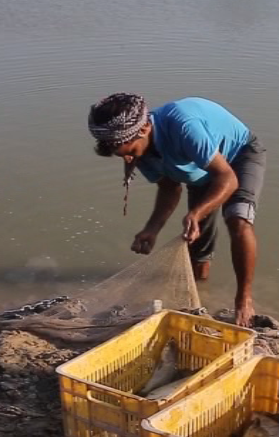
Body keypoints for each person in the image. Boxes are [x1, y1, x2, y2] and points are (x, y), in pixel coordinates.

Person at [87, 93, 266, 327]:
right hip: (199, 166)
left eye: (124, 148)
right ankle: (202, 291)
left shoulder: (184, 127)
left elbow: (228, 178)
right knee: (196, 237)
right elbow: (170, 188)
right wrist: (152, 229)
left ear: (144, 130)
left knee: (238, 219)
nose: (126, 157)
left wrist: (197, 212)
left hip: (238, 155)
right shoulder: (134, 150)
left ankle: (244, 298)